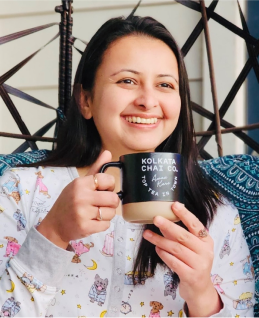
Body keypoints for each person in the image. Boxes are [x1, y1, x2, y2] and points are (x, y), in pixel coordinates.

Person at [0, 12, 255, 318]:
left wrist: (201, 292)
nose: (148, 100)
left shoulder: (216, 215)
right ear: (85, 100)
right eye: (127, 80)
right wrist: (53, 233)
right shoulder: (20, 190)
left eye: (165, 85)